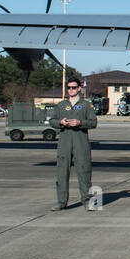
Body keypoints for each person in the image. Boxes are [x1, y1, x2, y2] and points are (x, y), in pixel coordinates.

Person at [47, 79, 97, 209]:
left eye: (73, 87)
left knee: (84, 171)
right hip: (65, 141)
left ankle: (87, 201)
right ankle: (61, 202)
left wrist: (80, 123)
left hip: (81, 141)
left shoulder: (86, 105)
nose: (71, 90)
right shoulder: (61, 105)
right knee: (62, 172)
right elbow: (52, 120)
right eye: (68, 87)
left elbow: (93, 122)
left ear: (79, 88)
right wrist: (61, 122)